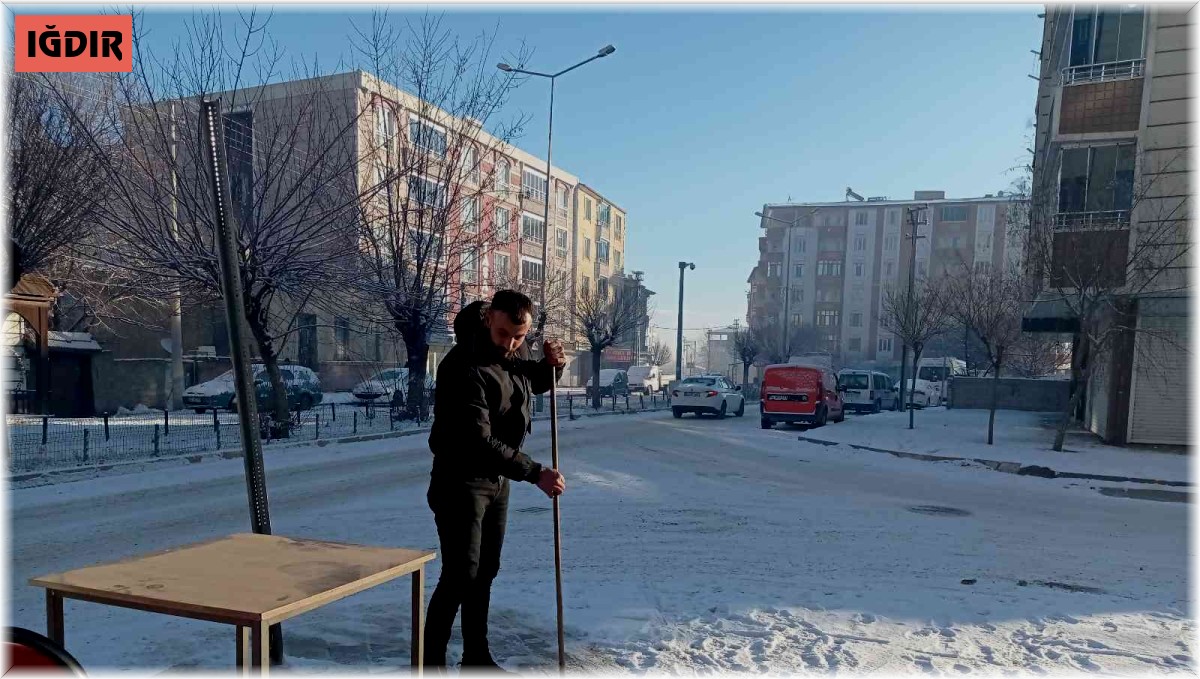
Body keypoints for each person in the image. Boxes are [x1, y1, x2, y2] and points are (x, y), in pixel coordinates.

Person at [425, 290, 567, 672]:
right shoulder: (462, 366)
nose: (511, 344)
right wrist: (535, 472)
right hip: (461, 480)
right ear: (489, 317)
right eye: (504, 333)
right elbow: (478, 440)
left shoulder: (510, 354)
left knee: (484, 571)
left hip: (496, 481)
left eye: (519, 337)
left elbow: (529, 381)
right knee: (459, 575)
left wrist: (552, 366)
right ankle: (429, 666)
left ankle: (476, 658)